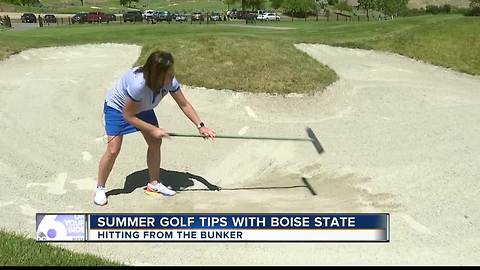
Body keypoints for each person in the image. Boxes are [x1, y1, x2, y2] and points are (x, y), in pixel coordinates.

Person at [95, 51, 216, 206]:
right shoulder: (138, 85)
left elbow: (183, 104)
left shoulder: (169, 80)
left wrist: (201, 126)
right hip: (119, 109)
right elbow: (128, 115)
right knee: (113, 150)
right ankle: (100, 187)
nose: (172, 75)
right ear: (156, 74)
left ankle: (153, 184)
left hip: (143, 107)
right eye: (168, 72)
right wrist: (153, 129)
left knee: (155, 143)